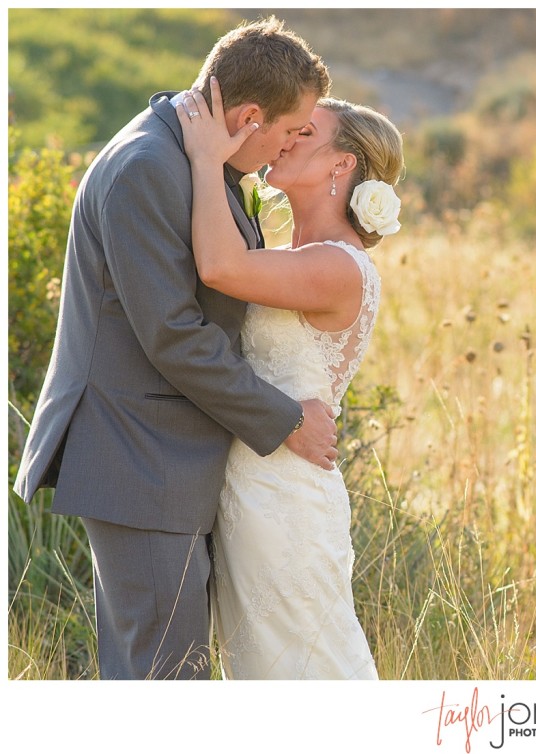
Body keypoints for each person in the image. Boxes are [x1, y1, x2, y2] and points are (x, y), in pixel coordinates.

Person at [12, 17, 334, 680]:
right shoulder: (148, 167)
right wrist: (288, 420)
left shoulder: (196, 159)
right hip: (141, 458)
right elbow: (174, 335)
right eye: (288, 128)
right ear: (248, 115)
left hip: (168, 457)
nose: (288, 146)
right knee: (162, 679)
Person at [175, 78, 404, 679]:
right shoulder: (292, 247)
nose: (285, 137)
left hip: (285, 498)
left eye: (305, 132)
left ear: (342, 162)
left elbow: (221, 267)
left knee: (303, 667)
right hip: (249, 484)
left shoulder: (337, 264)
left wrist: (205, 157)